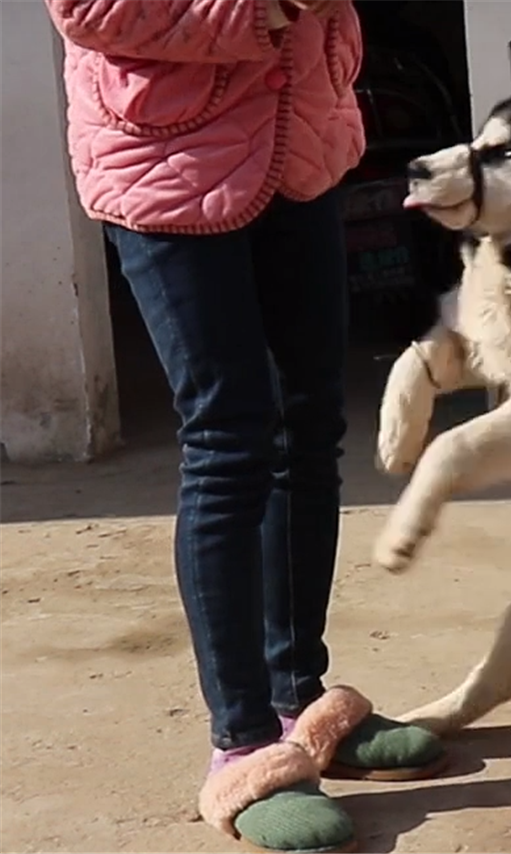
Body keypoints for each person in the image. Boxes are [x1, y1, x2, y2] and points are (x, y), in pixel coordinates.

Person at [45, 1, 446, 850]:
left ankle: (299, 695)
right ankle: (241, 743)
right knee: (230, 438)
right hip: (163, 155)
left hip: (300, 141)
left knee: (307, 426)